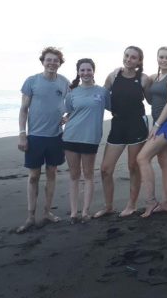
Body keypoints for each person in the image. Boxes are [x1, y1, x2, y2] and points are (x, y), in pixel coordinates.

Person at [17, 47, 70, 233]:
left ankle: (47, 212)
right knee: (33, 176)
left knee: (52, 173)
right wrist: (22, 134)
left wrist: (67, 118)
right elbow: (23, 110)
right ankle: (31, 216)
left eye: (56, 60)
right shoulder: (32, 81)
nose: (52, 63)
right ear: (43, 61)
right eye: (49, 60)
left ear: (59, 63)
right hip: (35, 137)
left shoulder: (64, 83)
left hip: (56, 136)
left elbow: (72, 105)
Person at [94, 46, 150, 218]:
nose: (129, 59)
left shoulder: (143, 79)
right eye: (127, 56)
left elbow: (152, 100)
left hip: (137, 125)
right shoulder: (113, 76)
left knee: (133, 166)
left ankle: (131, 205)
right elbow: (101, 97)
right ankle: (108, 206)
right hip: (117, 125)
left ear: (139, 61)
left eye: (133, 57)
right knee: (105, 169)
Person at [63, 59, 110, 224]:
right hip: (70, 137)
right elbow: (68, 114)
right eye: (82, 70)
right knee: (74, 175)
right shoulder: (72, 93)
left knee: (88, 174)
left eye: (88, 70)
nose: (85, 73)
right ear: (78, 72)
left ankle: (85, 212)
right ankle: (74, 213)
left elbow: (115, 109)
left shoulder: (102, 92)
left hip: (90, 138)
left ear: (93, 71)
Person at [137, 47, 167, 218]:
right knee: (164, 163)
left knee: (142, 158)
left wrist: (156, 125)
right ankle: (166, 203)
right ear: (157, 58)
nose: (164, 60)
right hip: (159, 122)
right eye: (161, 57)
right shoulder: (155, 78)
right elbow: (151, 99)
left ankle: (151, 201)